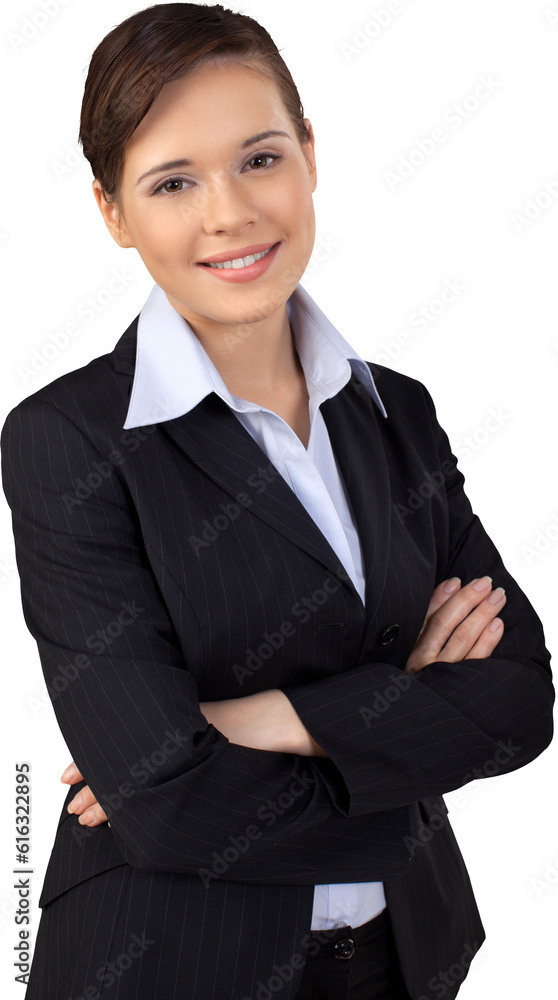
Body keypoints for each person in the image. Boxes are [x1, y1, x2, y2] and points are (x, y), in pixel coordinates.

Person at [1, 4, 553, 999]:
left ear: (308, 155)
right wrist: (411, 731)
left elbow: (519, 699)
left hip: (401, 956)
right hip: (168, 966)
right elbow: (162, 802)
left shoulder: (396, 412)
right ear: (114, 213)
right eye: (173, 182)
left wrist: (259, 717)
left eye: (259, 159)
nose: (230, 213)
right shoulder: (69, 440)